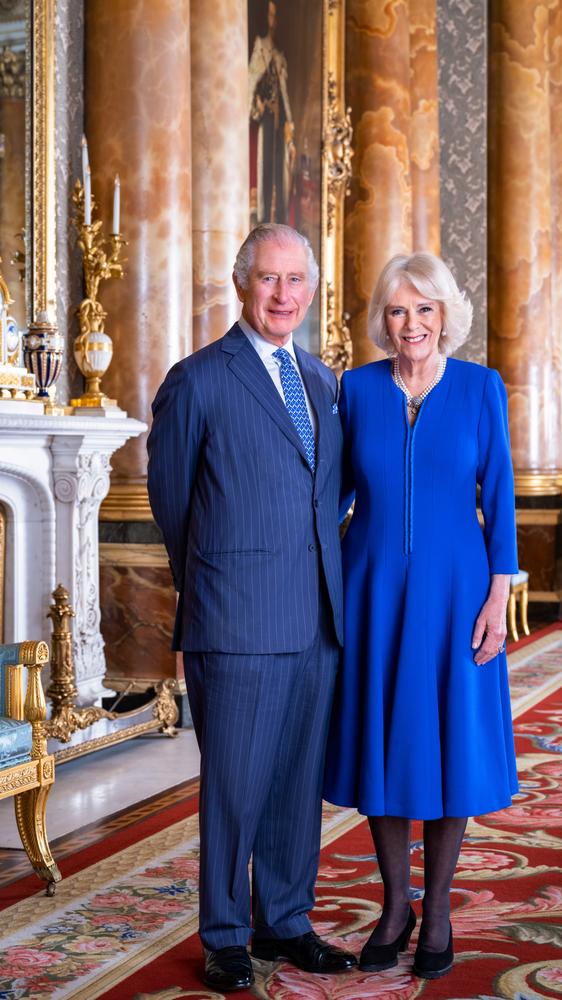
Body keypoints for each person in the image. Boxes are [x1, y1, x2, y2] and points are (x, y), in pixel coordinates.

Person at [147, 223, 356, 992]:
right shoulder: (198, 379)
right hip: (234, 619)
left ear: (309, 288)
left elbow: (328, 493)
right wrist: (217, 585)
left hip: (317, 620)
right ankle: (227, 935)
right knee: (233, 786)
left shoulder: (323, 381)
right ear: (242, 284)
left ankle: (287, 920)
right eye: (268, 279)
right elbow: (173, 506)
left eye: (295, 280)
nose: (282, 295)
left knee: (298, 783)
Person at [323, 252, 519, 981]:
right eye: (400, 311)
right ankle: (394, 904)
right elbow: (332, 498)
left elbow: (497, 498)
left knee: (450, 743)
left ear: (445, 316)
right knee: (383, 740)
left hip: (458, 592)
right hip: (370, 588)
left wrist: (498, 598)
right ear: (385, 319)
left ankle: (436, 910)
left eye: (426, 309)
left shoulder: (479, 388)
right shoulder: (357, 389)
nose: (413, 324)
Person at [249, 1, 295, 223]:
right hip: (265, 121)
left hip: (279, 123)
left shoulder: (279, 55)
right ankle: (264, 219)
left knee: (280, 174)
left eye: (275, 16)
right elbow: (250, 84)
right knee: (265, 172)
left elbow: (284, 96)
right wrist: (256, 104)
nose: (273, 21)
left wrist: (290, 133)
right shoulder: (260, 48)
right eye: (270, 15)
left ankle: (278, 222)